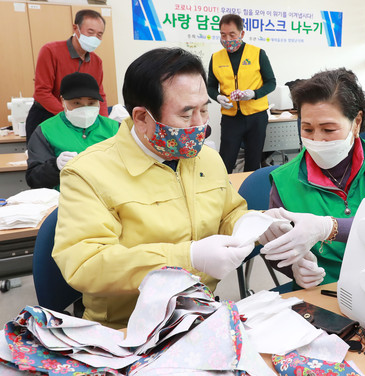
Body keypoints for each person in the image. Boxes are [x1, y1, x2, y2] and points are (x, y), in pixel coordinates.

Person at [52, 48, 261, 329]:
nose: (201, 126)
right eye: (186, 115)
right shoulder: (89, 172)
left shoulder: (207, 158)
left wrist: (255, 227)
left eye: (203, 110)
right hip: (125, 328)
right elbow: (85, 264)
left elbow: (229, 212)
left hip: (200, 315)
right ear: (141, 117)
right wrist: (188, 258)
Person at [259, 68, 365, 289]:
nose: (317, 139)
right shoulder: (284, 180)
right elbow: (277, 248)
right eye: (307, 129)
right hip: (320, 290)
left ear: (356, 123)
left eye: (328, 129)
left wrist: (326, 227)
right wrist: (295, 268)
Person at [26, 9, 109, 143]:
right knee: (44, 161)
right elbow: (42, 92)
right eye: (90, 32)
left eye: (99, 35)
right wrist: (69, 115)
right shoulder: (51, 51)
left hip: (79, 120)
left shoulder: (96, 62)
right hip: (47, 116)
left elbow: (100, 95)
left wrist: (103, 123)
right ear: (76, 28)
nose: (95, 38)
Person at [207, 14, 276, 173]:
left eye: (232, 34)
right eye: (223, 35)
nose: (227, 39)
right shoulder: (216, 58)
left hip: (256, 116)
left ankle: (248, 194)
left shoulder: (258, 53)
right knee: (226, 160)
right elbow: (210, 86)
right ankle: (225, 193)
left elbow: (271, 82)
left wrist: (253, 93)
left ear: (242, 34)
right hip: (231, 118)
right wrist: (218, 97)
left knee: (253, 160)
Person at [26, 72, 119, 190]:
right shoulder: (46, 131)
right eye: (77, 103)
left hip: (110, 197)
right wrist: (55, 166)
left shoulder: (114, 128)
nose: (85, 109)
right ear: (62, 101)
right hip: (66, 201)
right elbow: (33, 179)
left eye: (91, 103)